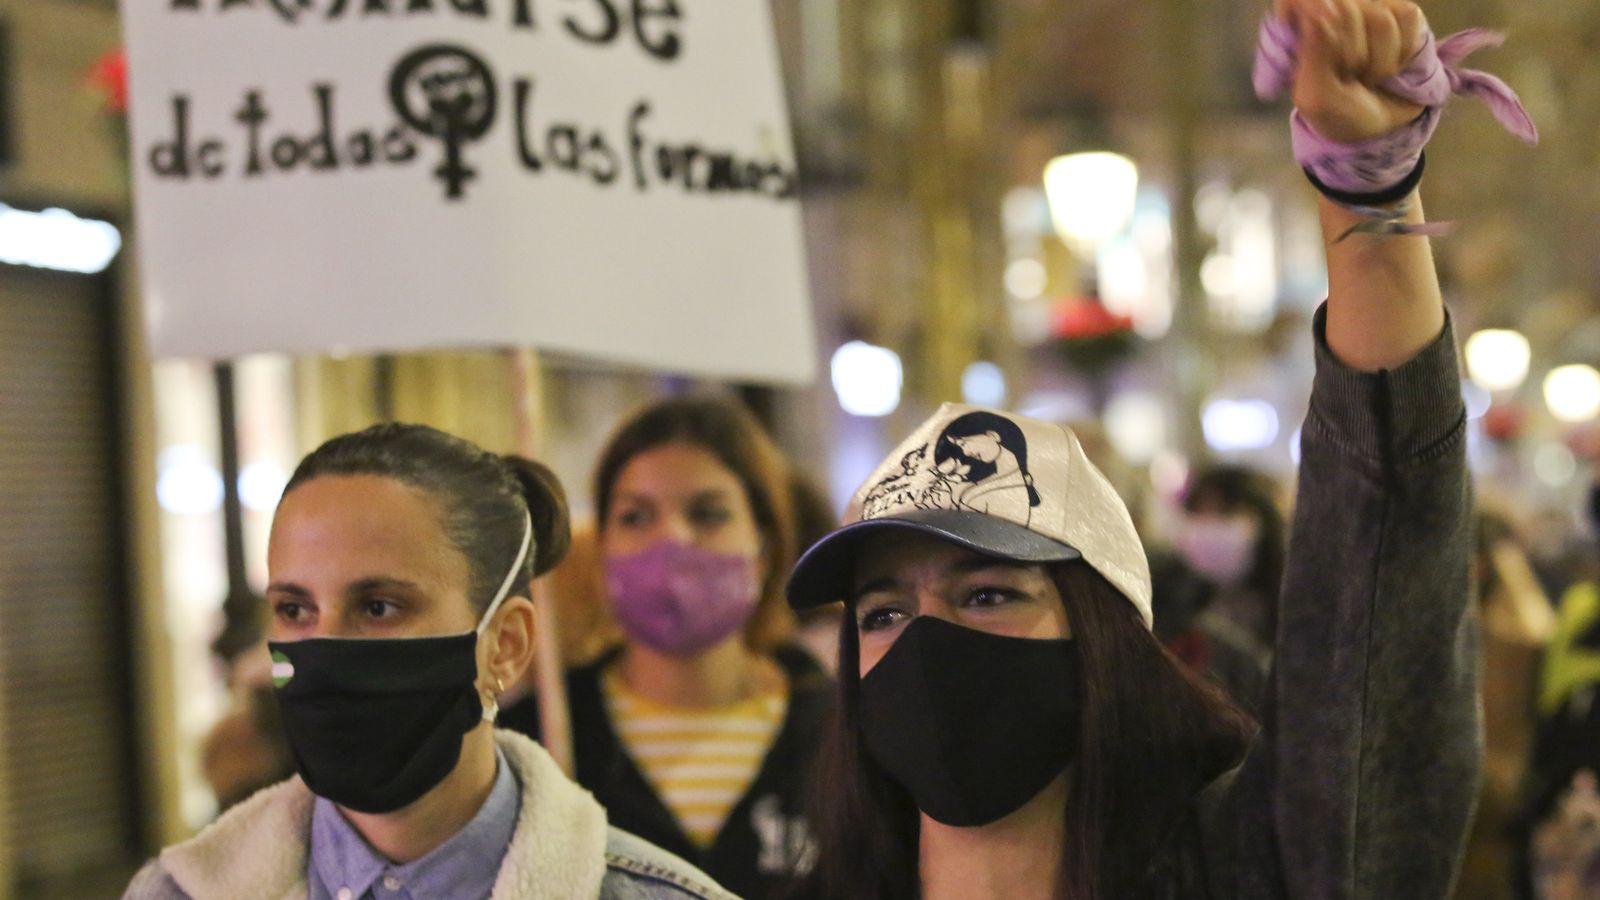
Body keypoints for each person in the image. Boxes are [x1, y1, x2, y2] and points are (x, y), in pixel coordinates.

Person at [785, 0, 1522, 893]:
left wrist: (1368, 192)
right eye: (882, 614)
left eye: (986, 594)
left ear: (1103, 635)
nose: (927, 647)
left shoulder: (1241, 869)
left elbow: (1377, 604)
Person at [124, 423, 733, 900]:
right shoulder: (179, 892)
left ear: (507, 644)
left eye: (380, 607)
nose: (326, 648)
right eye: (294, 609)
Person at [502, 396, 830, 899]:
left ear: (763, 545)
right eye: (636, 517)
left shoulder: (845, 731)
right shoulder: (535, 744)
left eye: (708, 514)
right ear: (603, 544)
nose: (672, 538)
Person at [1173, 465, 1286, 664]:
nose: (1208, 526)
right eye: (1200, 513)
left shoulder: (1294, 606)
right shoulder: (1178, 598)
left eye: (1222, 512)